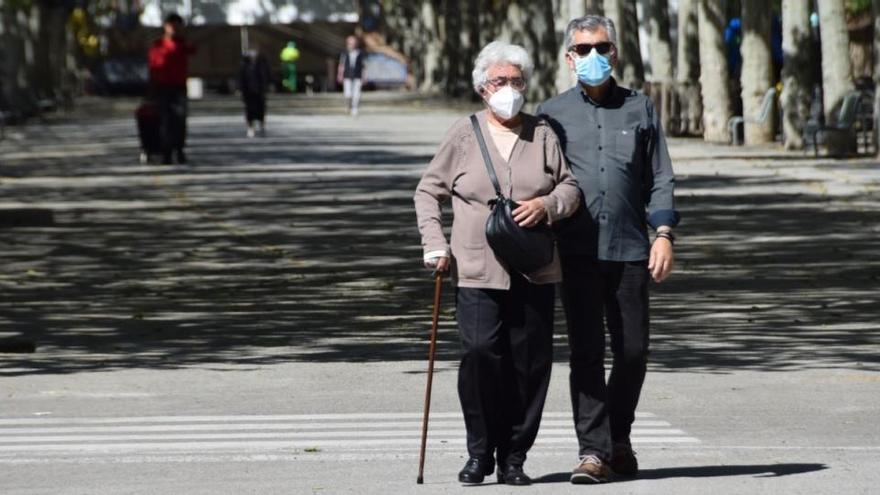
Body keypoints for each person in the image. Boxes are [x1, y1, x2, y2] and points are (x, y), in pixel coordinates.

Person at [414, 41, 580, 486]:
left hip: (534, 265)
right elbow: (428, 190)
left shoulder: (543, 133)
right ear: (482, 88)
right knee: (480, 354)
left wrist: (548, 204)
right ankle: (478, 450)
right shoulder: (463, 133)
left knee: (530, 364)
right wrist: (435, 244)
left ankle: (514, 457)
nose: (509, 89)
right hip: (474, 268)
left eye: (516, 81)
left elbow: (570, 189)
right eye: (500, 81)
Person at [536, 15, 680, 484]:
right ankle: (594, 451)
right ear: (568, 57)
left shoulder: (641, 108)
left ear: (614, 52)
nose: (592, 56)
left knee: (634, 351)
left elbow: (660, 176)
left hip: (631, 248)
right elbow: (537, 177)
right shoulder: (551, 112)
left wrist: (663, 233)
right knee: (586, 353)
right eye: (582, 49)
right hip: (575, 251)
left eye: (601, 47)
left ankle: (619, 436)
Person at [147, 13, 195, 164]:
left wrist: (186, 34)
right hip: (162, 88)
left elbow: (194, 49)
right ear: (165, 26)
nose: (173, 28)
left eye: (177, 25)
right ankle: (166, 152)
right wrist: (150, 89)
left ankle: (179, 150)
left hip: (179, 88)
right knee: (165, 121)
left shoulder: (182, 44)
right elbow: (152, 67)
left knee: (180, 120)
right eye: (171, 25)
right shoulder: (157, 45)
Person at [239, 47, 271, 138]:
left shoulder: (262, 64)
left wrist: (268, 86)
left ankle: (262, 126)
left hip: (260, 91)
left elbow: (267, 76)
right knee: (249, 110)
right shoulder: (244, 65)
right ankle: (250, 127)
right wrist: (240, 89)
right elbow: (241, 78)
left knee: (261, 109)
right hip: (248, 91)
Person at [336, 35, 366, 116]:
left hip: (357, 75)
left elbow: (363, 66)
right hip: (347, 75)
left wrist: (364, 76)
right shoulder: (344, 53)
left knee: (356, 93)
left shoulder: (360, 53)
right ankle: (349, 106)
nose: (351, 45)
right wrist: (340, 75)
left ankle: (355, 108)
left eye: (353, 43)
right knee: (348, 94)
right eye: (350, 43)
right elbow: (341, 65)